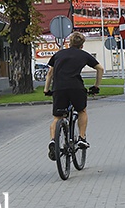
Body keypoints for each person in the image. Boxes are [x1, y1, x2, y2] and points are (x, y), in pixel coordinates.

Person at [43, 32, 104, 161]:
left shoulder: (58, 54)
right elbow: (100, 69)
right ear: (82, 45)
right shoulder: (84, 55)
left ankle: (53, 141)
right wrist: (96, 86)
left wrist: (46, 89)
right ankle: (81, 138)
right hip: (76, 87)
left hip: (59, 88)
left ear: (69, 43)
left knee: (57, 117)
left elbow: (50, 73)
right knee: (82, 110)